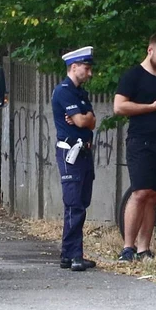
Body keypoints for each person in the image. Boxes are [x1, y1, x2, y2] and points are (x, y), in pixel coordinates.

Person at [113, 32, 156, 261]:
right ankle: (128, 247)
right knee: (140, 192)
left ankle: (144, 248)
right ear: (150, 50)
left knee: (153, 195)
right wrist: (152, 107)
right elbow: (119, 108)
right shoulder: (133, 76)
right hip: (140, 141)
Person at [51, 46, 97, 271]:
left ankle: (69, 254)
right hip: (71, 152)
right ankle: (73, 255)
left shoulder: (80, 93)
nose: (90, 73)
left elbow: (91, 121)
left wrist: (85, 118)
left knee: (81, 202)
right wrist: (84, 118)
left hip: (84, 152)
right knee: (74, 204)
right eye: (86, 69)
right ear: (74, 66)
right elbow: (80, 122)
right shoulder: (64, 91)